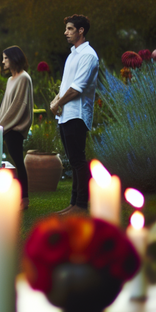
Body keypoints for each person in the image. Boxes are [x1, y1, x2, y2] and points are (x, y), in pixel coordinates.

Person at [50, 14, 99, 215]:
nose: (66, 32)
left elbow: (77, 89)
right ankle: (73, 204)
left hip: (76, 115)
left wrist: (58, 103)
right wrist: (56, 100)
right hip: (66, 114)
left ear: (81, 31)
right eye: (67, 29)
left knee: (78, 161)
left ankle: (81, 206)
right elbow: (66, 85)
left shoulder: (88, 55)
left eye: (70, 29)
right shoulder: (73, 54)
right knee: (73, 160)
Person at [0, 46, 34, 211]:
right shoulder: (10, 80)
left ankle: (24, 199)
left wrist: (2, 126)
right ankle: (16, 197)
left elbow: (18, 106)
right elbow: (5, 106)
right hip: (6, 127)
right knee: (14, 161)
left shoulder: (24, 78)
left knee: (18, 161)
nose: (3, 61)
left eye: (5, 58)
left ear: (13, 58)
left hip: (15, 128)